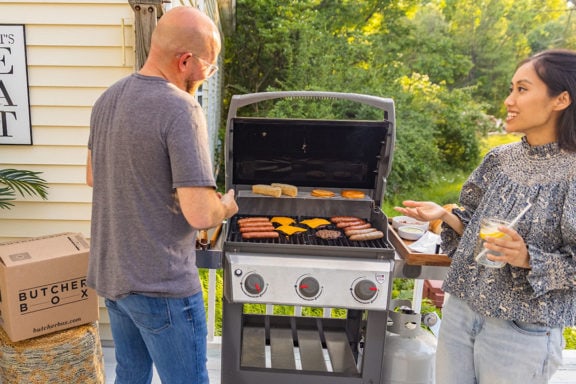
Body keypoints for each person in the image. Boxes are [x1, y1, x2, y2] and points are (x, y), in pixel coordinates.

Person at [395, 49, 576, 384]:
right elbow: (475, 226)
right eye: (511, 88)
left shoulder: (572, 173)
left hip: (520, 329)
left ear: (560, 99)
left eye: (522, 89)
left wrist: (527, 259)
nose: (509, 99)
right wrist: (445, 217)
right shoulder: (499, 159)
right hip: (461, 311)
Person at [85, 6, 238, 384]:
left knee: (132, 375)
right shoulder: (181, 108)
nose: (208, 74)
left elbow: (92, 176)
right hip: (162, 287)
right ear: (185, 60)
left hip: (115, 278)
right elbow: (200, 215)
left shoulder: (107, 99)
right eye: (209, 66)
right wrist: (226, 206)